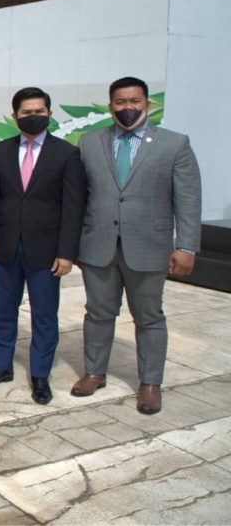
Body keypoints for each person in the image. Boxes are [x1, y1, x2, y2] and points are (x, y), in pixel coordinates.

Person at [71, 76, 201, 415]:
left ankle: (150, 383)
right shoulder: (89, 143)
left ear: (147, 104)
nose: (127, 107)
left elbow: (188, 199)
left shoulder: (174, 144)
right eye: (120, 102)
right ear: (110, 105)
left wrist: (186, 246)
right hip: (98, 245)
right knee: (98, 313)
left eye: (134, 101)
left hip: (148, 247)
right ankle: (94, 372)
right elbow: (78, 197)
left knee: (149, 317)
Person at [0, 87, 86, 404]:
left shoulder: (66, 154)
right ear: (15, 116)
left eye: (39, 111)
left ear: (49, 114)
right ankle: (1, 365)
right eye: (27, 112)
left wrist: (66, 252)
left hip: (46, 251)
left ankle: (40, 374)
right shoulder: (0, 151)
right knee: (3, 311)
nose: (33, 117)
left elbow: (73, 207)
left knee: (44, 315)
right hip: (6, 247)